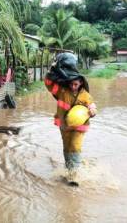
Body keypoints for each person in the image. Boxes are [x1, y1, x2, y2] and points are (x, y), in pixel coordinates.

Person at [44, 52, 97, 184]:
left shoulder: (85, 95)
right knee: (67, 147)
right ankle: (69, 168)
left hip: (80, 126)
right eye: (71, 84)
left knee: (75, 146)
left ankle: (74, 176)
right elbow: (48, 82)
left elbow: (93, 106)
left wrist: (92, 110)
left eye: (76, 84)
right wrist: (53, 68)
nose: (73, 86)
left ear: (80, 83)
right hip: (64, 125)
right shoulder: (61, 90)